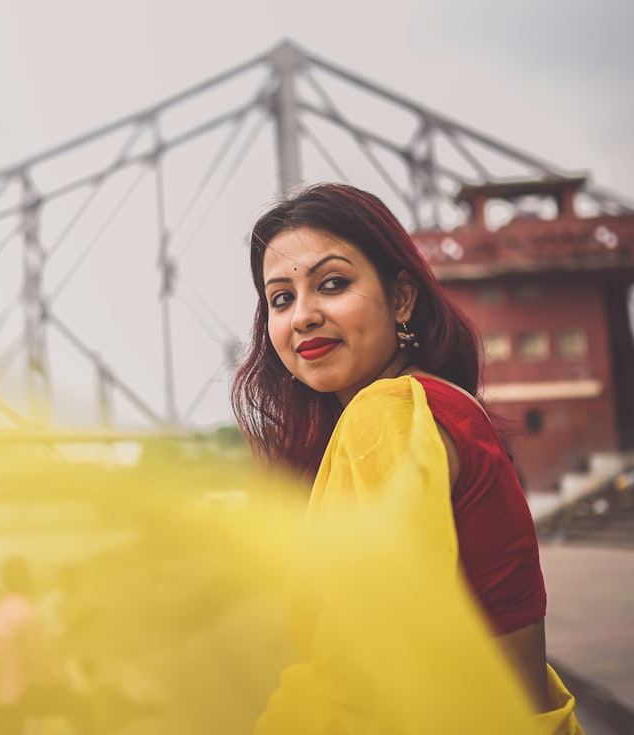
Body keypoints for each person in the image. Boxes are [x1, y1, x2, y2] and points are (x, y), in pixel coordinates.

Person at [231, 182, 582, 733]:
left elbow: (362, 665)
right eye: (281, 298)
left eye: (332, 283)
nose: (302, 316)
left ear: (401, 298)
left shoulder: (388, 412)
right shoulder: (445, 405)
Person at [0, 555, 96, 735]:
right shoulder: (25, 613)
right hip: (24, 694)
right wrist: (59, 682)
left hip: (2, 695)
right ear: (25, 579)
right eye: (28, 575)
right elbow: (39, 663)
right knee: (82, 705)